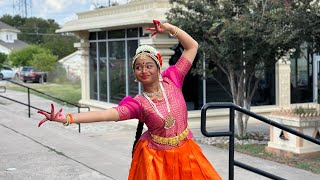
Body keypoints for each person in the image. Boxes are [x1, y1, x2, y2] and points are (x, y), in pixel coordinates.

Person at [38, 20, 221, 180]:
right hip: (156, 161)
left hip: (186, 153)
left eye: (149, 65)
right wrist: (68, 118)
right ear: (135, 75)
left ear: (158, 68)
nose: (144, 70)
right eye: (139, 67)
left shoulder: (173, 79)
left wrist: (169, 28)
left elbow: (192, 47)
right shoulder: (138, 103)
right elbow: (105, 115)